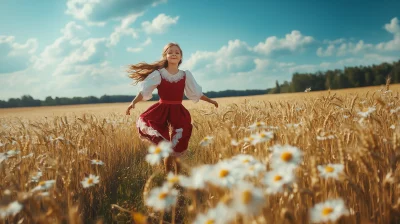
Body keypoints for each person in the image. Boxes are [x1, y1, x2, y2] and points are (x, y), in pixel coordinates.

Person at [125, 42, 218, 174]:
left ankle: (177, 175)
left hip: (178, 111)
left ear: (181, 57)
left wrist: (211, 100)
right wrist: (133, 102)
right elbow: (145, 91)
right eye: (170, 52)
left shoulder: (185, 75)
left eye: (177, 52)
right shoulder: (159, 74)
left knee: (178, 148)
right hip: (161, 110)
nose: (174, 54)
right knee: (167, 147)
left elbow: (196, 93)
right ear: (165, 56)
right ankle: (168, 175)